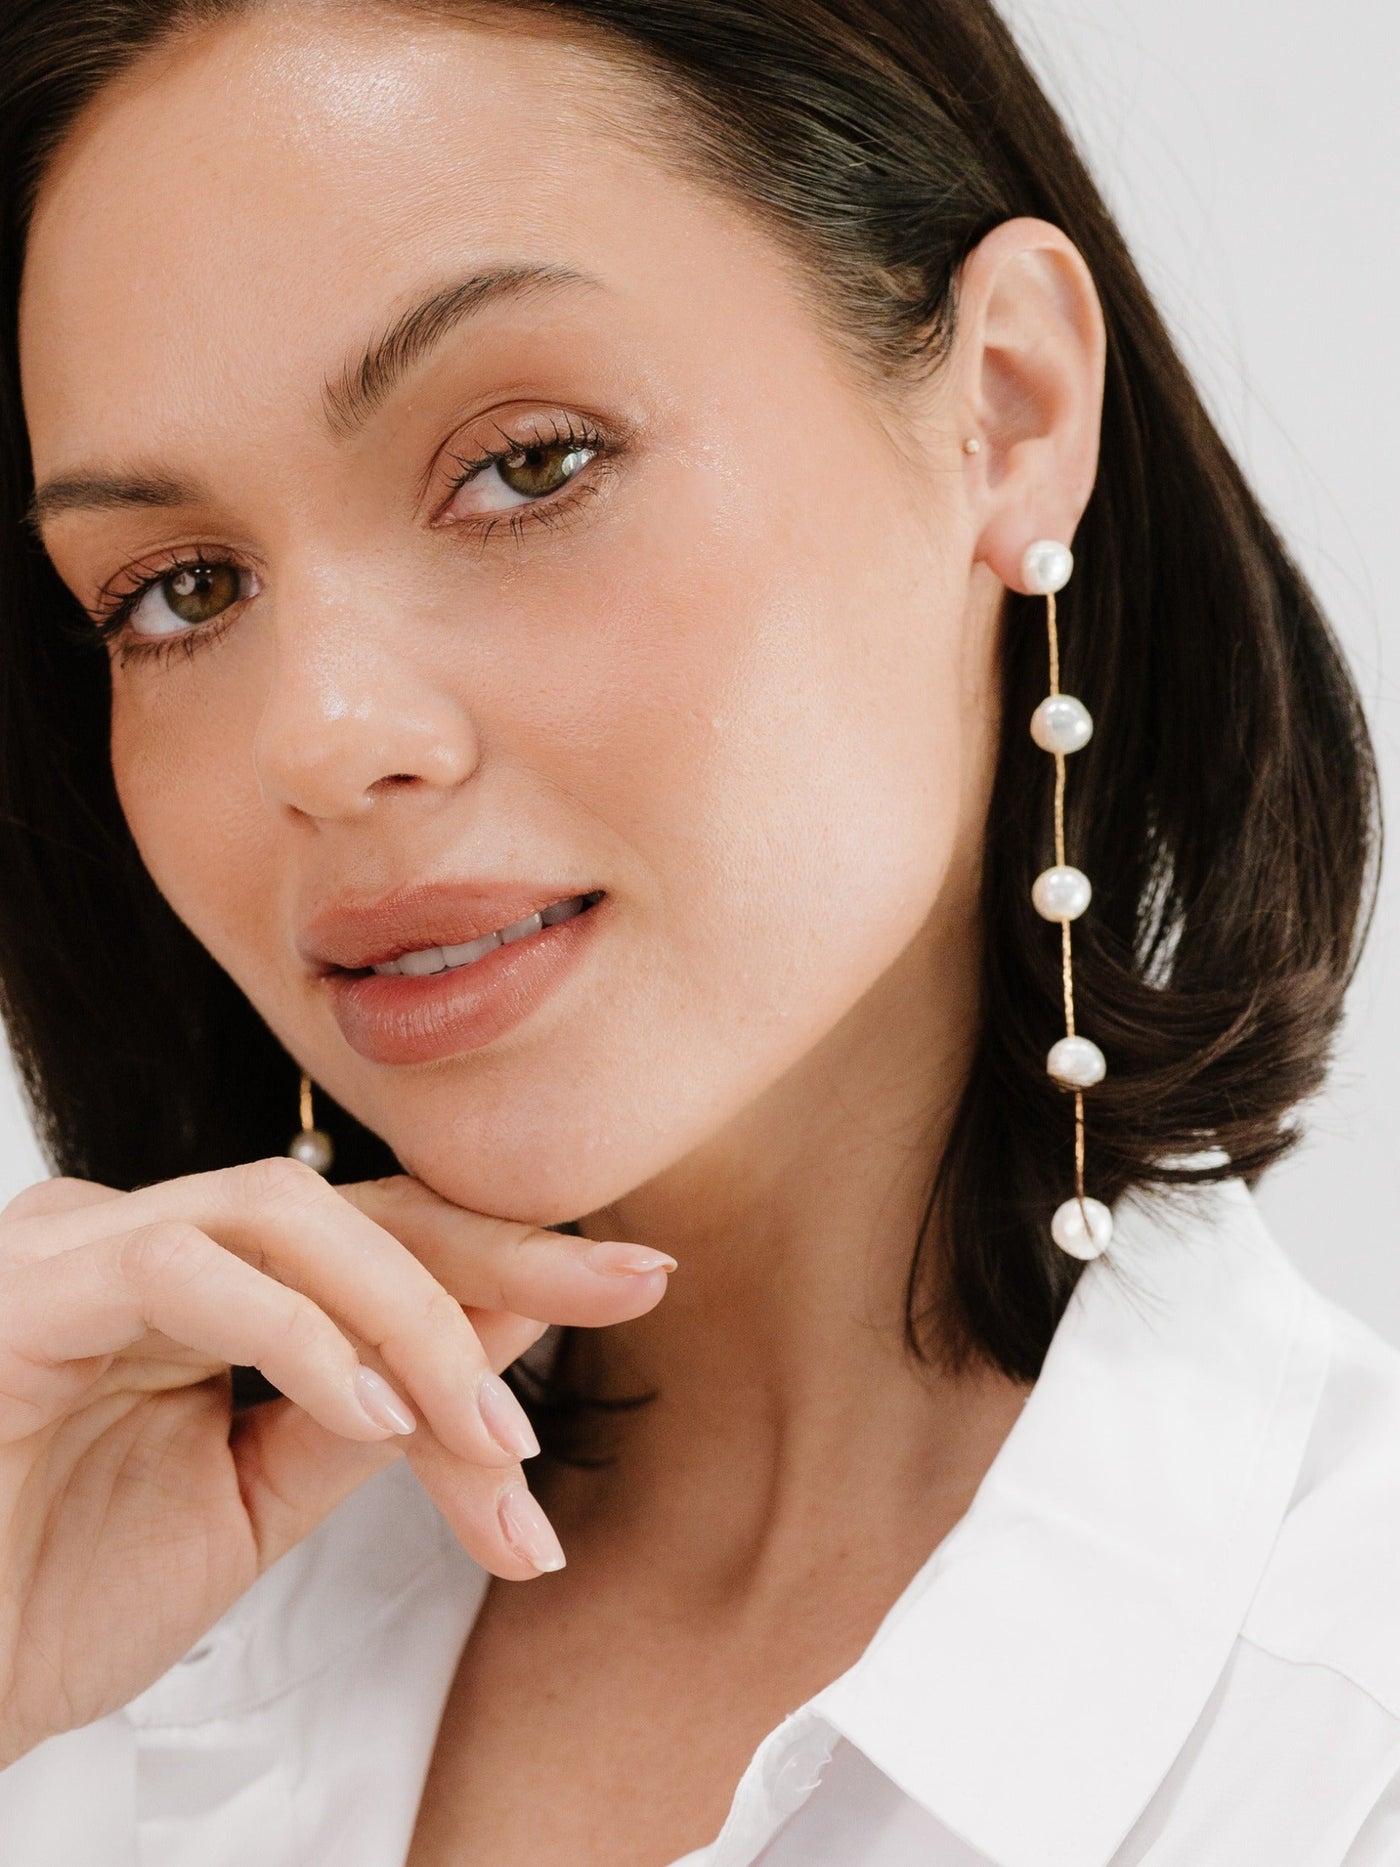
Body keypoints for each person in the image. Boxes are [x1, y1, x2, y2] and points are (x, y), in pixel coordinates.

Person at [0, 0, 1392, 1861]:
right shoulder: (87, 1624)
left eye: (528, 464)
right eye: (179, 588)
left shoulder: (1335, 1714)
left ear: (1007, 408)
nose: (321, 740)